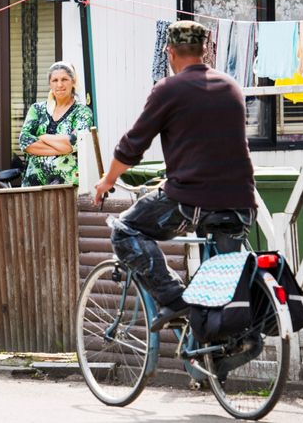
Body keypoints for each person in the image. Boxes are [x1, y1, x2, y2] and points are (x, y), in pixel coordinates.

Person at [93, 21, 257, 322]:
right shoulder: (231, 86)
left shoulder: (168, 89)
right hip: (241, 203)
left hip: (191, 200)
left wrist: (108, 180)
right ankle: (213, 341)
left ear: (169, 51)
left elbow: (133, 145)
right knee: (223, 275)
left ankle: (174, 298)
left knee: (124, 230)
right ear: (205, 50)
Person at [19, 61, 94, 186]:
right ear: (50, 84)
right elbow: (24, 141)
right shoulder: (37, 109)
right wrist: (63, 147)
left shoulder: (82, 111)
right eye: (55, 80)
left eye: (64, 79)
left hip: (67, 185)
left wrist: (43, 137)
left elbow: (74, 143)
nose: (59, 84)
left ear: (73, 81)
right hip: (34, 184)